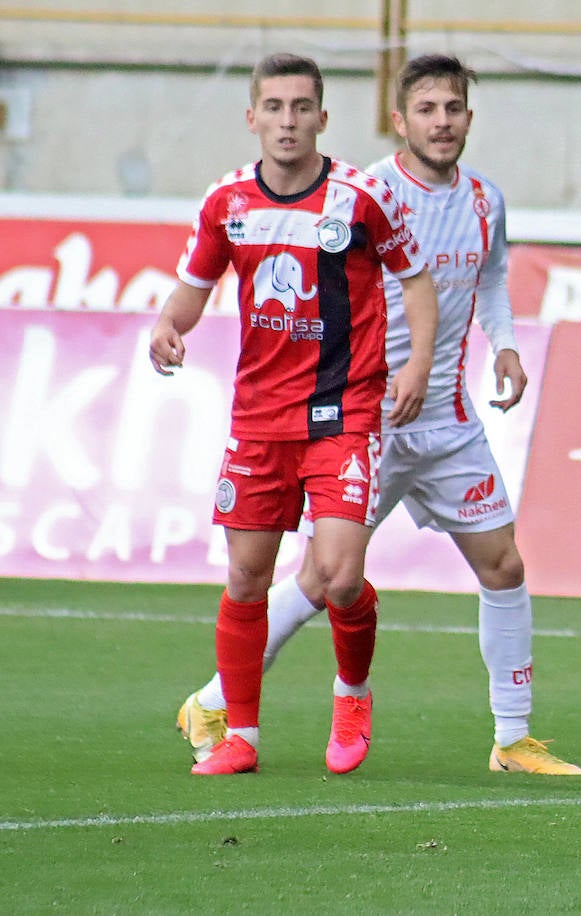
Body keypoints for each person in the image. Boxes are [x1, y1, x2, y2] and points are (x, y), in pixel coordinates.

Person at [175, 54, 581, 776]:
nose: (442, 122)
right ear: (400, 120)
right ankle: (216, 701)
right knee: (324, 579)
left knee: (504, 563)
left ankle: (513, 738)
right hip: (366, 412)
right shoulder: (364, 192)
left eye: (453, 109)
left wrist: (508, 348)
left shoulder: (486, 201)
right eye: (427, 110)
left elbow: (490, 281)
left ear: (468, 118)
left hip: (448, 419)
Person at [150, 53, 439, 776]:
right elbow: (194, 284)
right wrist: (167, 326)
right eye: (273, 107)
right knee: (247, 580)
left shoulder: (359, 196)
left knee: (339, 577)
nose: (287, 121)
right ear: (253, 117)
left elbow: (416, 279)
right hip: (259, 420)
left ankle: (353, 693)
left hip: (344, 413)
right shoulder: (227, 203)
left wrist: (417, 363)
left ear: (322, 118)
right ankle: (240, 737)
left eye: (300, 107)